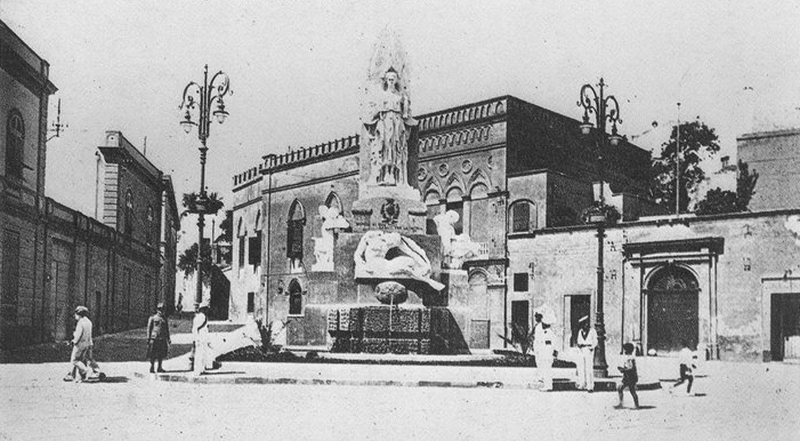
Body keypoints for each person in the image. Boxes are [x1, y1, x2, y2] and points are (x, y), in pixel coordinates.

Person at [63, 306, 93, 382]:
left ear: (79, 314)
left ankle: (84, 370)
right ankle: (81, 377)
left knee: (74, 360)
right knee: (82, 360)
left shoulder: (80, 323)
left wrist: (73, 341)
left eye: (76, 314)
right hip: (87, 343)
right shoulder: (89, 322)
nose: (75, 316)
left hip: (79, 344)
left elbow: (78, 335)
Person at [576, 315, 598, 392]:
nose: (586, 325)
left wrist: (591, 348)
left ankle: (590, 386)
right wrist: (579, 346)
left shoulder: (592, 331)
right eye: (584, 324)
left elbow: (595, 341)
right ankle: (582, 384)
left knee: (589, 368)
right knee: (581, 368)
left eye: (586, 323)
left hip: (589, 350)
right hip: (582, 350)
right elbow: (578, 341)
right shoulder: (580, 332)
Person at [146, 303, 170, 373]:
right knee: (153, 353)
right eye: (160, 309)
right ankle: (152, 367)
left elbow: (167, 329)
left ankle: (159, 367)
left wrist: (168, 338)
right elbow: (149, 328)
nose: (161, 311)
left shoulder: (164, 319)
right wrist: (148, 338)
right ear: (157, 310)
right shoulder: (153, 318)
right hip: (154, 338)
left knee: (161, 353)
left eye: (162, 309)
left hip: (162, 338)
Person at [533, 316, 555, 391]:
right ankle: (547, 385)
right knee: (546, 370)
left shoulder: (548, 333)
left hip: (547, 354)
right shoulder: (545, 332)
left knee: (547, 370)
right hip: (545, 354)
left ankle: (548, 386)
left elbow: (549, 345)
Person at [616, 342, 640, 409]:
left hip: (630, 377)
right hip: (627, 376)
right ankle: (621, 403)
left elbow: (631, 368)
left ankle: (636, 405)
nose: (624, 351)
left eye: (625, 350)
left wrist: (623, 370)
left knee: (632, 391)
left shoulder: (630, 358)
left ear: (627, 350)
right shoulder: (628, 357)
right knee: (620, 388)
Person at [192, 304, 212, 374]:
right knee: (199, 355)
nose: (207, 310)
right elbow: (196, 329)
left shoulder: (202, 316)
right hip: (200, 338)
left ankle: (202, 369)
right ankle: (198, 370)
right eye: (205, 309)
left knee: (203, 355)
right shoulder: (201, 317)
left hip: (202, 338)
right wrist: (196, 338)